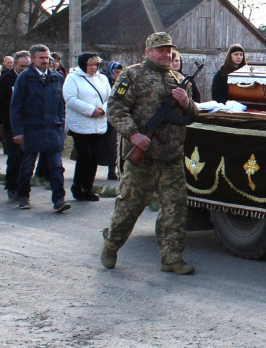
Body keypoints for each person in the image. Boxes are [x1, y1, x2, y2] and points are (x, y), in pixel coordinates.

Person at [101, 32, 199, 275]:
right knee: (129, 206)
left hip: (172, 156)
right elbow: (115, 108)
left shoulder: (178, 79)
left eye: (169, 51)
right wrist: (134, 134)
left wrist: (187, 103)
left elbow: (193, 116)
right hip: (142, 156)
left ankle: (172, 258)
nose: (166, 55)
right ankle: (112, 245)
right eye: (160, 50)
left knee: (175, 209)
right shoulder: (132, 75)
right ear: (148, 52)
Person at [10, 44, 70, 212]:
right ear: (33, 59)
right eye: (41, 58)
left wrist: (61, 124)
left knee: (56, 166)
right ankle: (23, 196)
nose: (45, 61)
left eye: (47, 57)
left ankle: (59, 199)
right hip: (32, 129)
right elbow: (16, 107)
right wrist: (18, 131)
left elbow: (61, 105)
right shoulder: (25, 78)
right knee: (27, 166)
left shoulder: (57, 78)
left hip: (53, 129)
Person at [63, 52, 111, 202]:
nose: (93, 68)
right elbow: (70, 99)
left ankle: (88, 188)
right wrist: (91, 111)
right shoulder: (72, 78)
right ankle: (77, 186)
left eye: (95, 65)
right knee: (85, 154)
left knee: (94, 157)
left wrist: (103, 109)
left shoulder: (102, 78)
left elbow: (111, 97)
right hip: (81, 123)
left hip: (98, 123)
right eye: (90, 65)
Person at [0, 50, 29, 200]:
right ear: (15, 64)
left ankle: (24, 186)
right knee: (14, 157)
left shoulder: (32, 78)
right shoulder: (6, 79)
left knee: (26, 158)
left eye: (27, 66)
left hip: (29, 125)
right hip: (11, 125)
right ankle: (12, 185)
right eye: (22, 66)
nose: (24, 69)